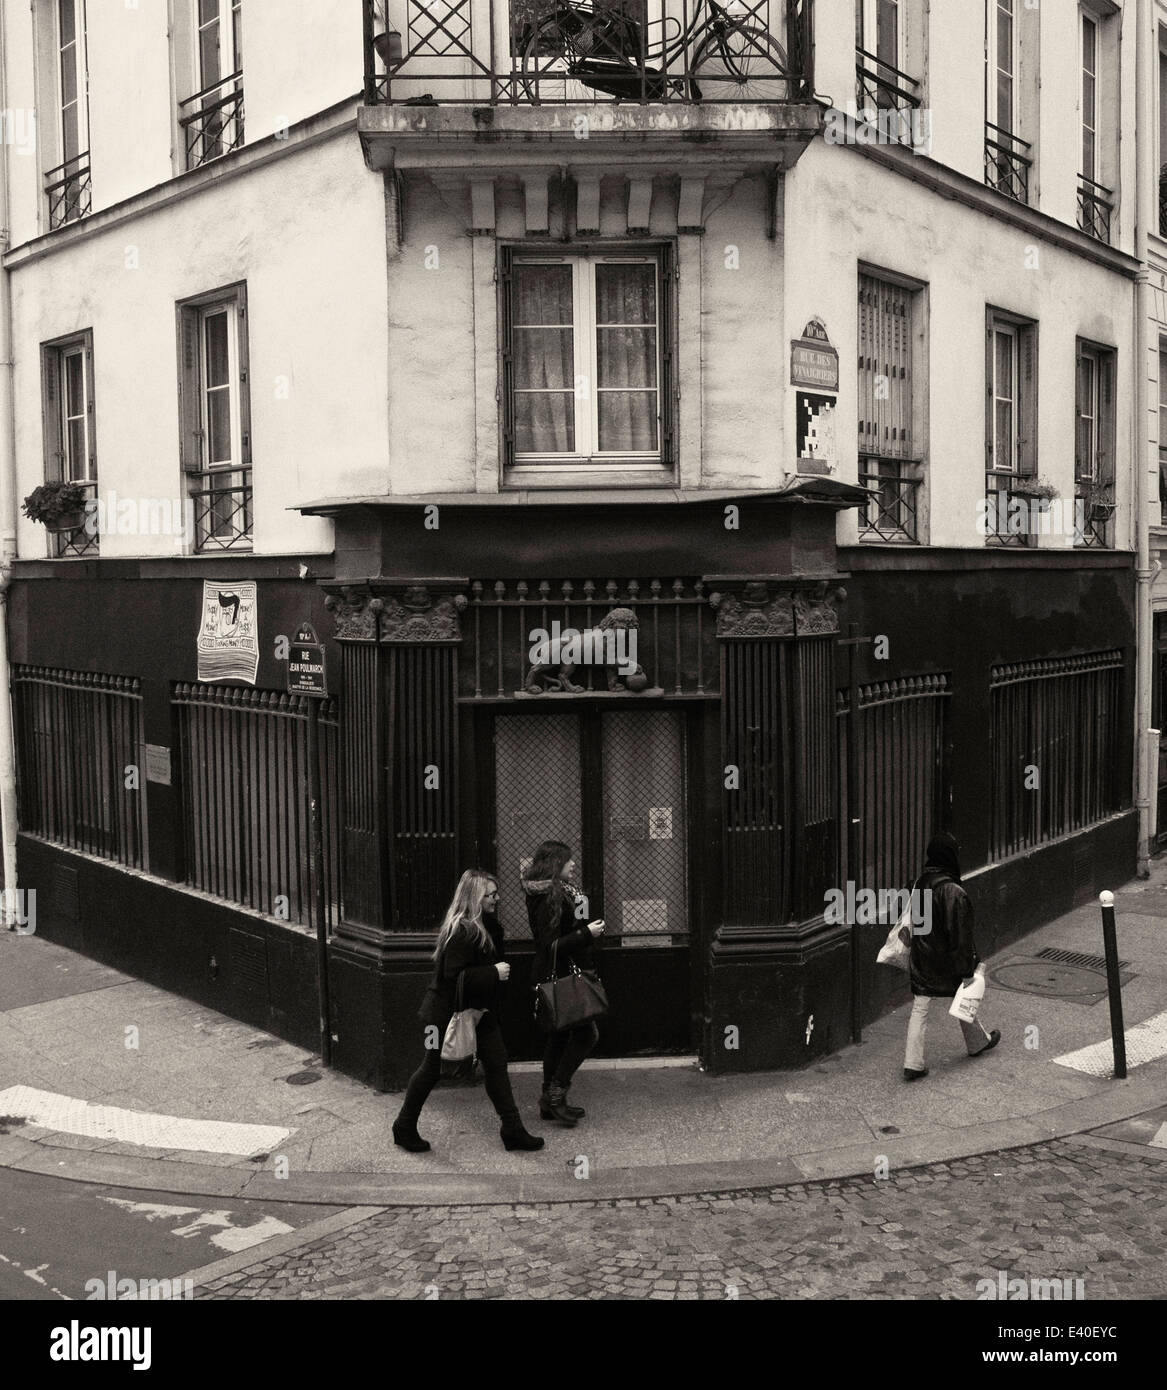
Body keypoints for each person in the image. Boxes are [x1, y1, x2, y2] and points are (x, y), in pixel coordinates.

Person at [392, 870, 544, 1153]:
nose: (497, 899)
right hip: (443, 1017)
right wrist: (493, 972)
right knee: (431, 1069)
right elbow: (454, 975)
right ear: (475, 897)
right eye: (491, 895)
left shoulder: (486, 926)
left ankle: (512, 1129)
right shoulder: (462, 930)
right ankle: (403, 1126)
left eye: (496, 893)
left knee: (497, 1066)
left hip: (479, 1012)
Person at [904, 832, 1001, 1081]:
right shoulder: (953, 891)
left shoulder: (920, 883)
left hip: (923, 957)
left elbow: (917, 924)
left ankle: (913, 1063)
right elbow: (960, 936)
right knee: (964, 997)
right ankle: (978, 1042)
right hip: (946, 958)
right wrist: (966, 970)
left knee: (921, 1008)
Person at [522, 840, 605, 1126]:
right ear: (556, 864)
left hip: (560, 973)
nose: (573, 864)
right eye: (568, 861)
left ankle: (549, 1100)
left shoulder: (559, 892)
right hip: (558, 975)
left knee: (558, 1037)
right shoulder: (548, 898)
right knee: (586, 1036)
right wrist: (586, 934)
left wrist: (583, 928)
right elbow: (550, 944)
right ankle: (556, 1094)